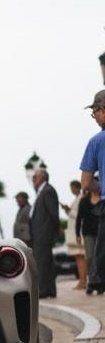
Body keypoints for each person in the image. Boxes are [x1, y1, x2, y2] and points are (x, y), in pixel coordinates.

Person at [80, 90, 105, 294]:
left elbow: (86, 182)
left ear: (103, 111)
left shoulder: (96, 141)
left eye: (94, 112)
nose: (94, 118)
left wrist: (101, 187)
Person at [30, 169, 60, 298]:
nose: (33, 179)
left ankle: (43, 290)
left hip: (44, 234)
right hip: (40, 234)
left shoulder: (48, 190)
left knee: (42, 263)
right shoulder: (41, 191)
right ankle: (50, 290)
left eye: (35, 177)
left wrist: (54, 231)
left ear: (43, 177)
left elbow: (54, 214)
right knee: (46, 263)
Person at [61, 180, 87, 290]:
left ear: (76, 187)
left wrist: (69, 210)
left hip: (78, 233)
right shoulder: (76, 199)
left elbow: (79, 215)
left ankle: (83, 281)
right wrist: (67, 210)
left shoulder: (81, 198)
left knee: (80, 257)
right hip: (73, 232)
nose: (71, 190)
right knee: (78, 257)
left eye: (72, 187)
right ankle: (82, 280)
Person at [76, 187, 101, 294]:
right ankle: (92, 282)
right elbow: (79, 217)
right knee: (90, 257)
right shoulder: (84, 201)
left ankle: (100, 283)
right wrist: (77, 233)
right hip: (88, 233)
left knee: (100, 258)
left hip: (101, 233)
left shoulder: (103, 200)